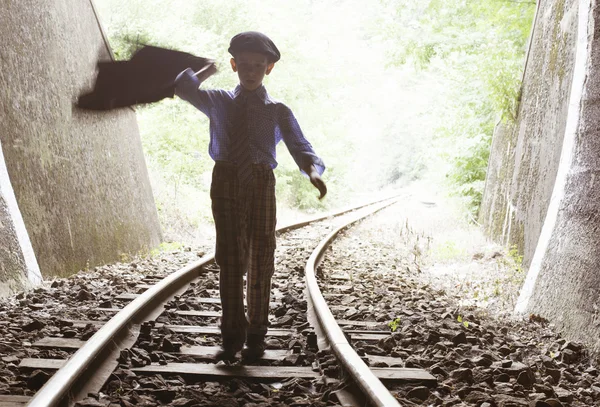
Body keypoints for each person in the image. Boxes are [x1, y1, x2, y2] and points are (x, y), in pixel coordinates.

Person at [174, 31, 327, 360]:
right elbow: (183, 88)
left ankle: (256, 337)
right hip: (226, 178)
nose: (251, 70)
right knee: (230, 260)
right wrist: (205, 70)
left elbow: (300, 145)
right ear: (234, 65)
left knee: (261, 257)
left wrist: (312, 170)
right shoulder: (217, 101)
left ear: (269, 68)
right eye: (244, 64)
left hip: (260, 181)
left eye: (259, 65)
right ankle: (231, 339)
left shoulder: (278, 111)